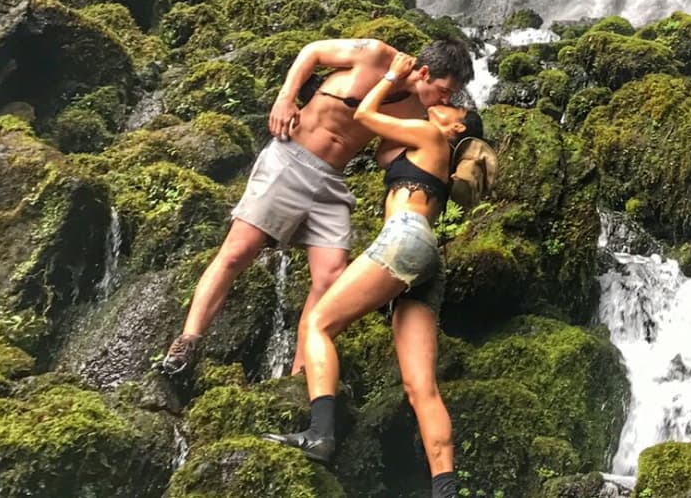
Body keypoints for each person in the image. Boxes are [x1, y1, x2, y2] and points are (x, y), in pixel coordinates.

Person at [159, 36, 473, 378]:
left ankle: (297, 375)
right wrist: (285, 98)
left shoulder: (417, 111)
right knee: (237, 253)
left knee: (330, 276)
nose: (446, 100)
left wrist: (442, 162)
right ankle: (188, 340)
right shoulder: (375, 56)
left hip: (331, 183)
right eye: (444, 90)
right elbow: (312, 52)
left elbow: (385, 155)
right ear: (425, 72)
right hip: (290, 159)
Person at [266, 54, 483, 498]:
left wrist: (389, 78)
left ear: (457, 126)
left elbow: (364, 113)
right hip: (427, 258)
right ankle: (446, 488)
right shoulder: (430, 150)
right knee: (420, 385)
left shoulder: (429, 133)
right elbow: (382, 149)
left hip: (403, 238)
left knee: (319, 324)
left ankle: (320, 433)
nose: (439, 104)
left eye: (450, 105)